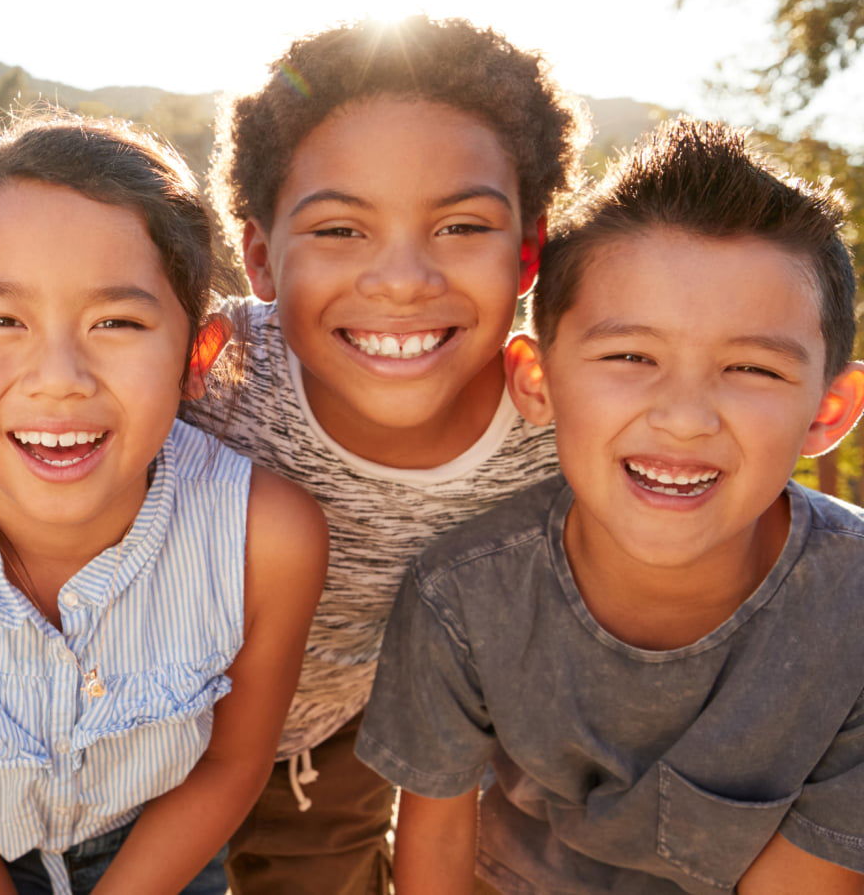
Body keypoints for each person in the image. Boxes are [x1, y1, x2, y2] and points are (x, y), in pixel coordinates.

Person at [0, 116, 328, 894]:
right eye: (0, 320)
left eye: (116, 321)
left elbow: (230, 764)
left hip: (163, 858)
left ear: (197, 356)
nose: (59, 376)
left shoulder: (268, 536)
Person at [361, 117, 864, 894]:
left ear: (828, 410)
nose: (685, 415)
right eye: (631, 356)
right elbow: (433, 849)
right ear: (537, 380)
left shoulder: (853, 611)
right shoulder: (462, 592)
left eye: (752, 368)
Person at [180, 15, 586, 893]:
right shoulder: (206, 372)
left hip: (326, 757)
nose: (402, 279)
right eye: (338, 231)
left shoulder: (564, 426)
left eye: (460, 226)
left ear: (528, 252)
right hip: (120, 739)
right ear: (259, 256)